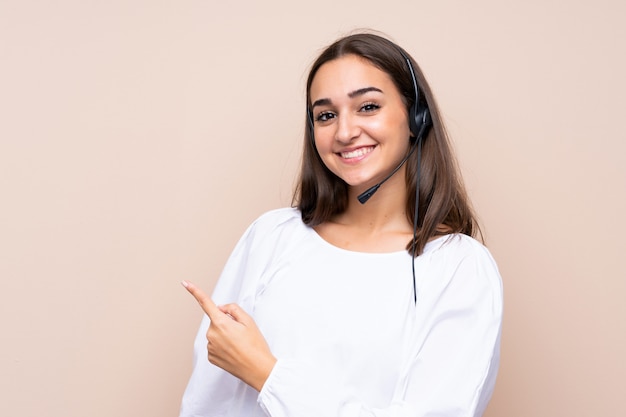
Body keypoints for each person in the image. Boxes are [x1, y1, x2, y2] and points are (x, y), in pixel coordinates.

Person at [179, 32, 503, 417]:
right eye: (326, 115)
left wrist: (267, 374)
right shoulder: (271, 238)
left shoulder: (459, 267)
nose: (345, 132)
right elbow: (208, 401)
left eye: (367, 107)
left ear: (417, 117)